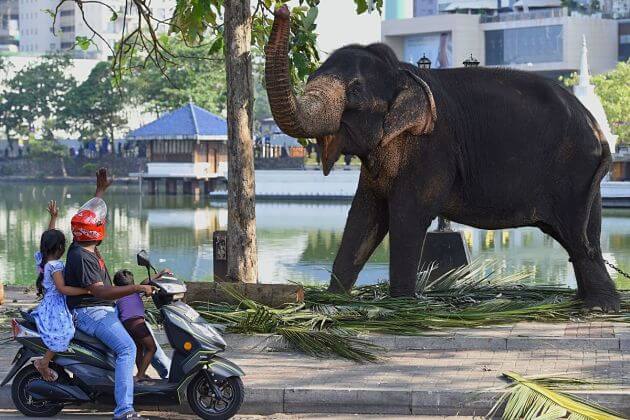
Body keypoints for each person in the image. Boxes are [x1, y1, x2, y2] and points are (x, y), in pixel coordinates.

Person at [64, 168, 154, 420]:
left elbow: (88, 218)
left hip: (100, 310)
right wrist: (136, 288)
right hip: (90, 312)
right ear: (96, 231)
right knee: (127, 348)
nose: (104, 224)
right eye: (102, 223)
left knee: (141, 338)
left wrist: (101, 191)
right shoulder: (82, 256)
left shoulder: (82, 243)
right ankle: (124, 410)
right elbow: (101, 292)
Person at [31, 200, 91, 382]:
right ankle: (44, 362)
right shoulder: (55, 266)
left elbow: (49, 237)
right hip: (55, 305)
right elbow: (62, 288)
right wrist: (86, 291)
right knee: (65, 333)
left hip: (50, 302)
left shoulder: (43, 259)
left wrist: (53, 218)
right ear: (60, 248)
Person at [113, 269, 162, 382]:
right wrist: (160, 273)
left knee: (139, 348)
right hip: (137, 323)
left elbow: (145, 282)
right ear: (133, 283)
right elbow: (147, 281)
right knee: (151, 348)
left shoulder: (117, 294)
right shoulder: (135, 291)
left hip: (126, 325)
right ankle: (140, 375)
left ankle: (141, 374)